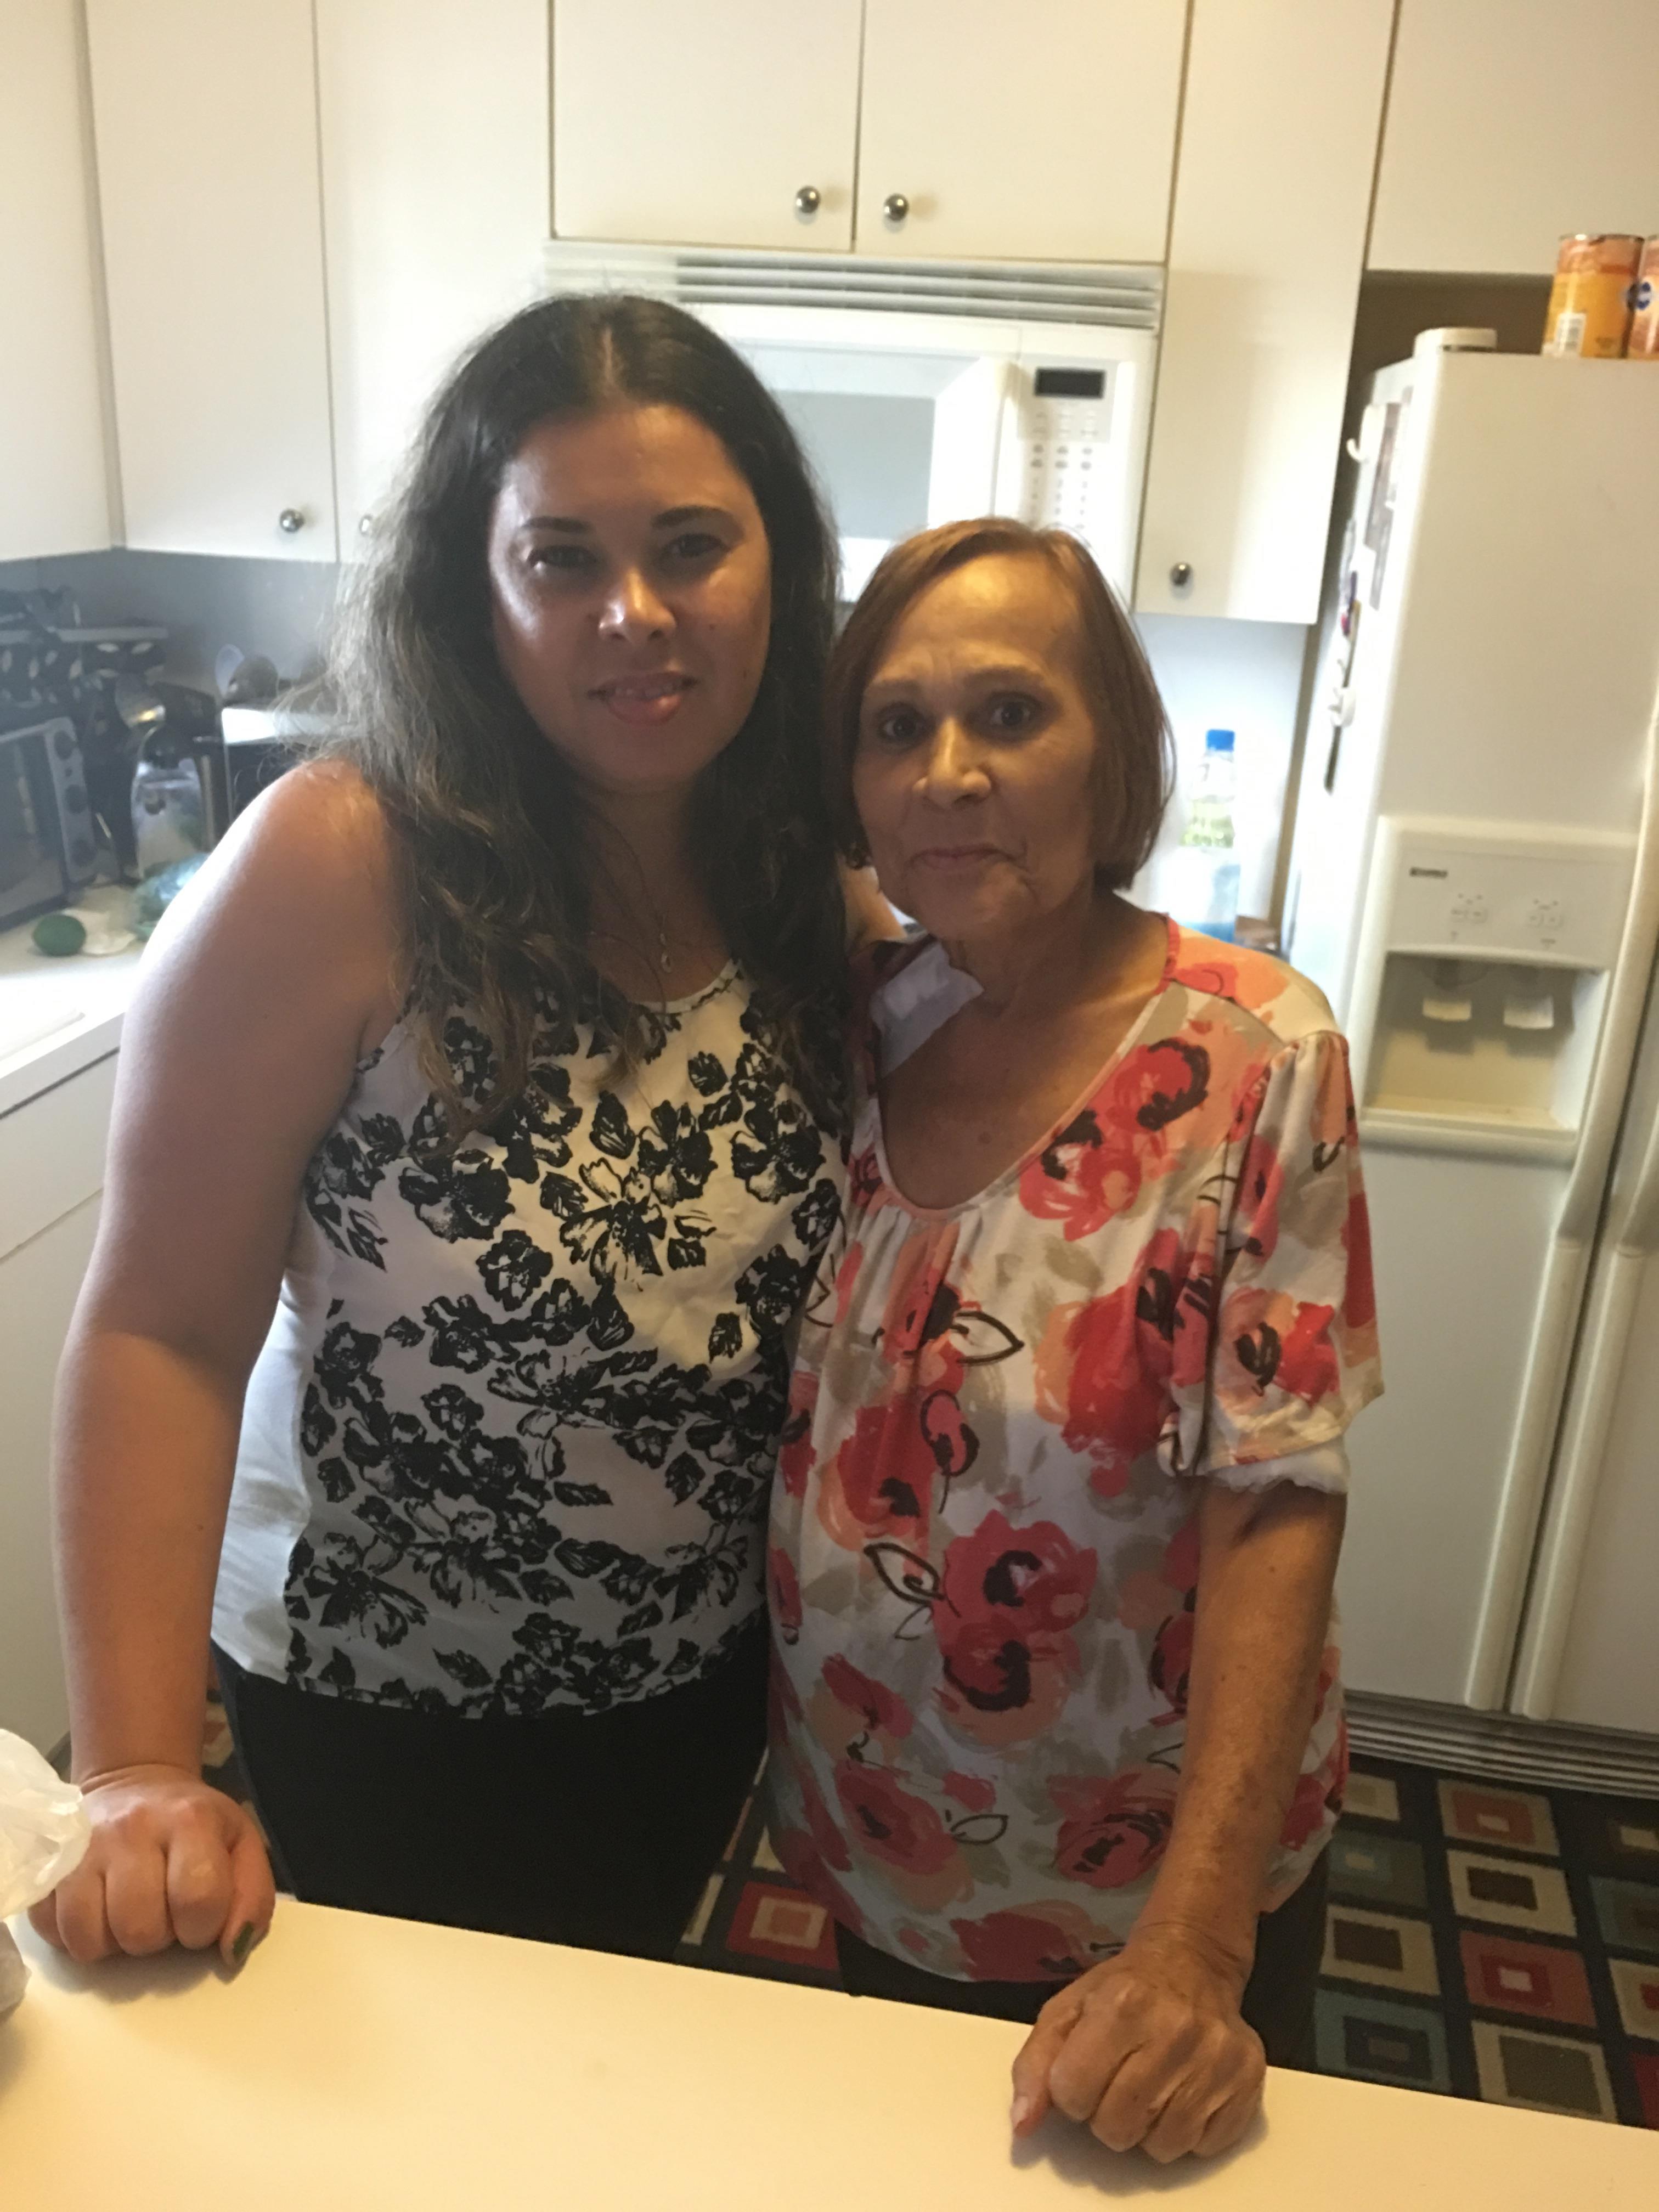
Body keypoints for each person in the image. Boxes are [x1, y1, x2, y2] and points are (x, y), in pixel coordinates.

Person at [33, 294, 862, 1971]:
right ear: (474, 592)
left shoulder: (804, 886)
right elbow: (161, 1330)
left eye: (692, 544)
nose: (638, 613)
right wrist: (128, 1763)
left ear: (778, 563)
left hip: (691, 1688)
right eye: (562, 560)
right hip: (372, 1691)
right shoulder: (342, 867)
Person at [766, 518, 1381, 2162]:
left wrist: (1199, 1942)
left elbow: (1283, 1499)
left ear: (1116, 755)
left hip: (1146, 1900)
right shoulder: (864, 1018)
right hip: (873, 1846)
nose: (950, 773)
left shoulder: (1255, 1054)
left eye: (1012, 715)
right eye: (897, 727)